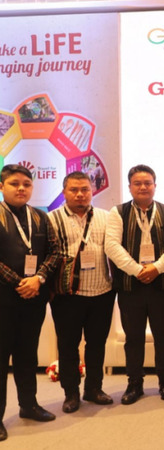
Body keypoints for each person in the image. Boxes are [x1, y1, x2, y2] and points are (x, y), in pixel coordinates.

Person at [105, 165, 164, 404]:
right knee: (133, 338)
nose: (143, 187)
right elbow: (112, 246)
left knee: (163, 337)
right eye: (137, 183)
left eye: (147, 183)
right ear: (129, 187)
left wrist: (156, 268)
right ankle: (134, 384)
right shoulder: (118, 212)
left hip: (161, 285)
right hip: (130, 287)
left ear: (155, 186)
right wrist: (137, 270)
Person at [0, 165, 60, 441]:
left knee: (27, 355)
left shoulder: (40, 216)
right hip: (3, 299)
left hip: (33, 298)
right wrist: (18, 282)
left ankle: (29, 405)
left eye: (26, 183)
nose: (21, 188)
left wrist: (39, 278)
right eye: (15, 183)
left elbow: (55, 251)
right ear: (2, 186)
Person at [49, 171, 115, 413]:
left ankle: (94, 388)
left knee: (97, 344)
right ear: (64, 192)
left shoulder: (106, 217)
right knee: (68, 346)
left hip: (102, 292)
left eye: (85, 189)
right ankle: (71, 393)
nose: (80, 194)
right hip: (67, 296)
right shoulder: (51, 219)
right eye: (74, 190)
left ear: (92, 191)